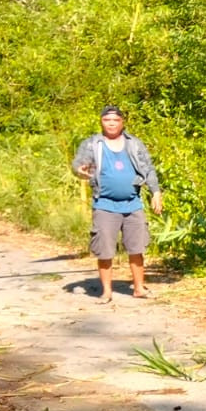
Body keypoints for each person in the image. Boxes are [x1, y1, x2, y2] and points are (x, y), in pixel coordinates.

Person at [70, 105, 163, 304]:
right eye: (107, 120)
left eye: (115, 120)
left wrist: (156, 192)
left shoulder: (134, 144)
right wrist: (80, 170)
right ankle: (106, 292)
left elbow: (148, 169)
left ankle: (139, 288)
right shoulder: (93, 144)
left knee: (136, 248)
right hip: (104, 204)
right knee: (104, 250)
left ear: (122, 122)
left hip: (132, 203)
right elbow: (78, 164)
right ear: (101, 122)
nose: (111, 123)